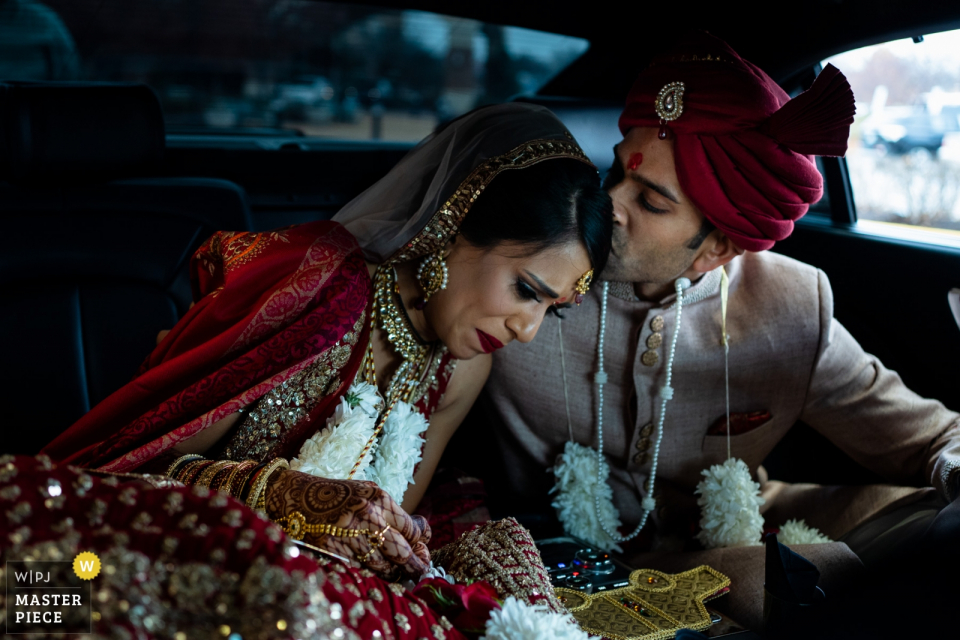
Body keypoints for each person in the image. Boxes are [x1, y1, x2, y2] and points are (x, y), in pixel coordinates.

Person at [481, 32, 960, 628]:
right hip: (563, 557)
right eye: (615, 176)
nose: (609, 205)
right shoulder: (530, 277)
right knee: (804, 578)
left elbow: (930, 437)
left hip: (741, 531)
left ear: (720, 246)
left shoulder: (790, 302)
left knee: (930, 527)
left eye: (651, 201)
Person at [39, 102, 612, 584]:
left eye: (551, 311)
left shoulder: (463, 370)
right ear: (456, 224)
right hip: (168, 546)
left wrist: (390, 538)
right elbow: (137, 471)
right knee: (51, 591)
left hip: (304, 582)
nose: (527, 330)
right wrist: (289, 500)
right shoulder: (318, 288)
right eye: (526, 290)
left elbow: (380, 533)